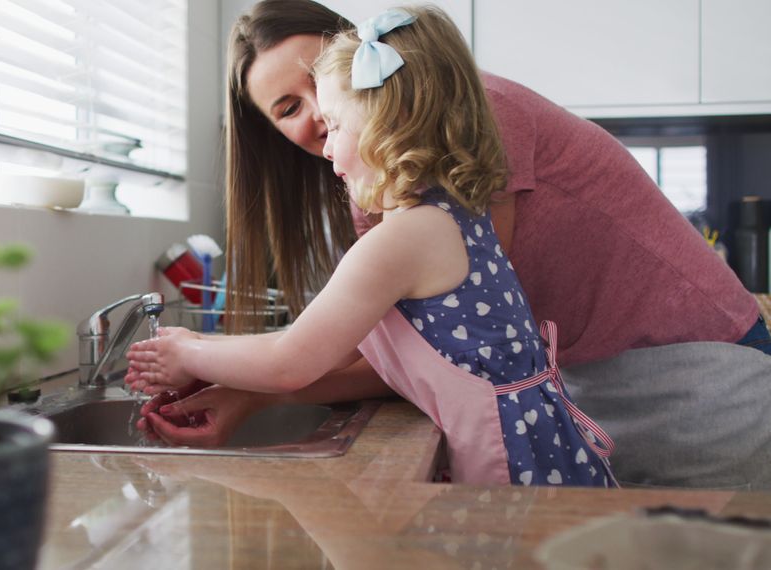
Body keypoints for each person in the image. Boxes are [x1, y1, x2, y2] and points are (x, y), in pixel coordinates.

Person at [142, 0, 771, 489]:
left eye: (323, 87)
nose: (317, 118)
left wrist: (205, 356)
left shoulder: (469, 136)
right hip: (586, 397)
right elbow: (410, 353)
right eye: (288, 108)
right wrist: (249, 390)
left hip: (692, 379)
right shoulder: (401, 197)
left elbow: (433, 351)